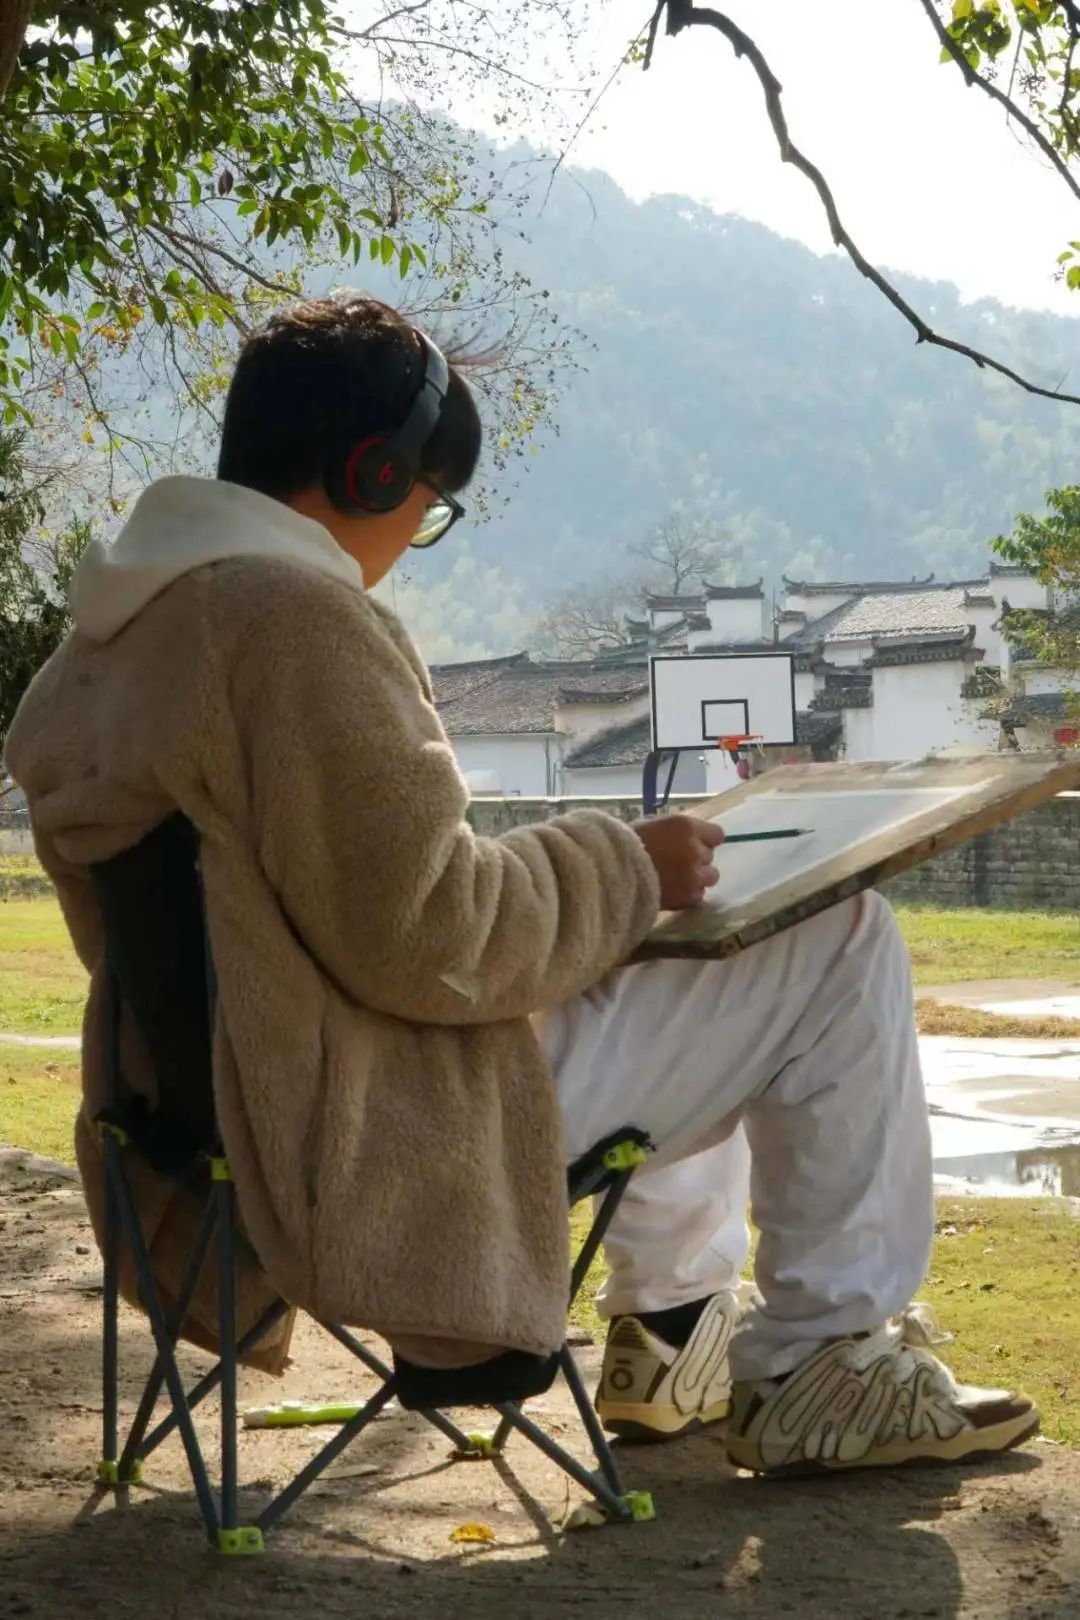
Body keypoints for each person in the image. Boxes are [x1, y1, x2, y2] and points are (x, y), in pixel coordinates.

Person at [6, 295, 1037, 1474]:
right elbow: (435, 936)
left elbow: (322, 909)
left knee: (665, 946)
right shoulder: (292, 623)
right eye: (428, 504)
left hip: (208, 1133)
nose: (415, 536)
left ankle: (675, 1328)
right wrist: (621, 862)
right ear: (372, 469)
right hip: (373, 1140)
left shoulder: (104, 651)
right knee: (839, 936)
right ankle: (822, 1360)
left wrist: (609, 881)